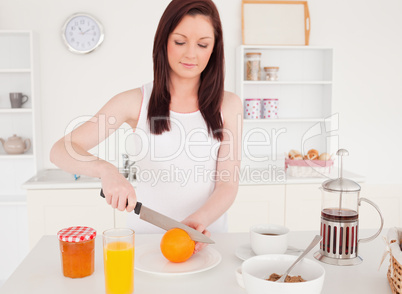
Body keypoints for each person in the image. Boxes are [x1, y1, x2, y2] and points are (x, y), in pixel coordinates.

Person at [50, 0, 242, 253]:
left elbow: (227, 184)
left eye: (203, 44)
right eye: (180, 42)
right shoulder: (134, 101)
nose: (191, 54)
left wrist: (198, 222)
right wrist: (106, 171)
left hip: (204, 239)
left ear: (214, 49)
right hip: (145, 242)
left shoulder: (228, 105)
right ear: (163, 41)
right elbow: (61, 150)